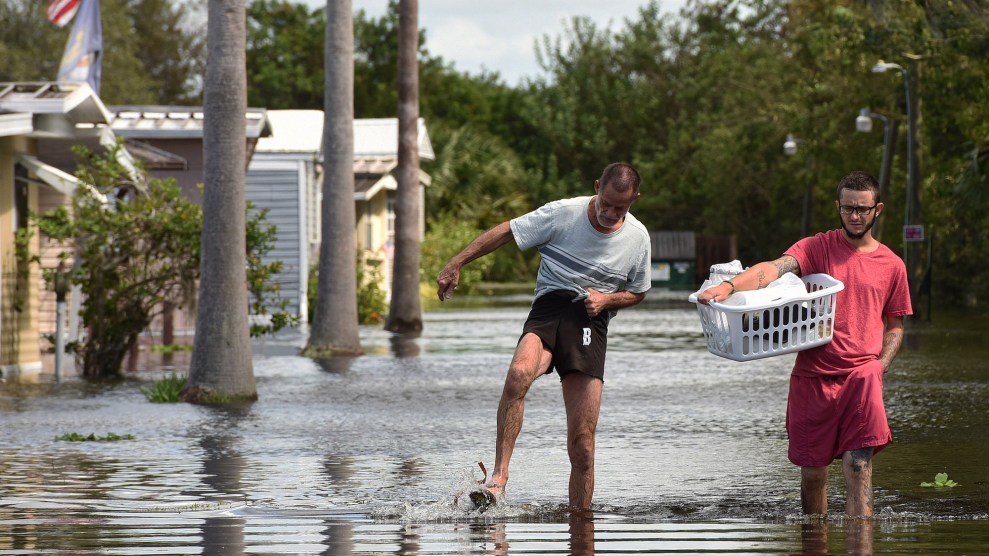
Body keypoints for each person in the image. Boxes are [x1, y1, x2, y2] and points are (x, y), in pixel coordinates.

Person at [436, 162, 651, 510]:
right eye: (605, 202)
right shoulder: (563, 214)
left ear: (634, 200)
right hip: (551, 308)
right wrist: (456, 262)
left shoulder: (638, 239)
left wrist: (609, 299)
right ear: (597, 186)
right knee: (519, 374)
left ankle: (581, 525)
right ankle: (498, 481)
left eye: (620, 207)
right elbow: (508, 230)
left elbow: (638, 292)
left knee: (582, 446)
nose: (610, 213)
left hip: (588, 321)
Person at [697, 170, 912, 516]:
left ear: (878, 209)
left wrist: (879, 365)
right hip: (812, 378)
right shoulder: (818, 247)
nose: (854, 216)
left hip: (862, 376)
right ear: (838, 207)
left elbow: (896, 326)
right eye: (847, 209)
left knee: (859, 469)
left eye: (862, 209)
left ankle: (861, 544)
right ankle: (815, 541)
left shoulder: (893, 265)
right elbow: (775, 268)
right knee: (814, 475)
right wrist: (730, 287)